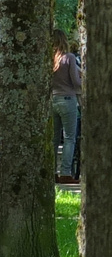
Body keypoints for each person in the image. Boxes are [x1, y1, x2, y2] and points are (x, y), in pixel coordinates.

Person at [52, 29, 82, 184]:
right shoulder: (69, 58)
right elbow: (76, 82)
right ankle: (65, 172)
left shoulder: (50, 59)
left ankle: (52, 171)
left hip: (53, 99)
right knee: (69, 138)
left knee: (54, 139)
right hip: (67, 99)